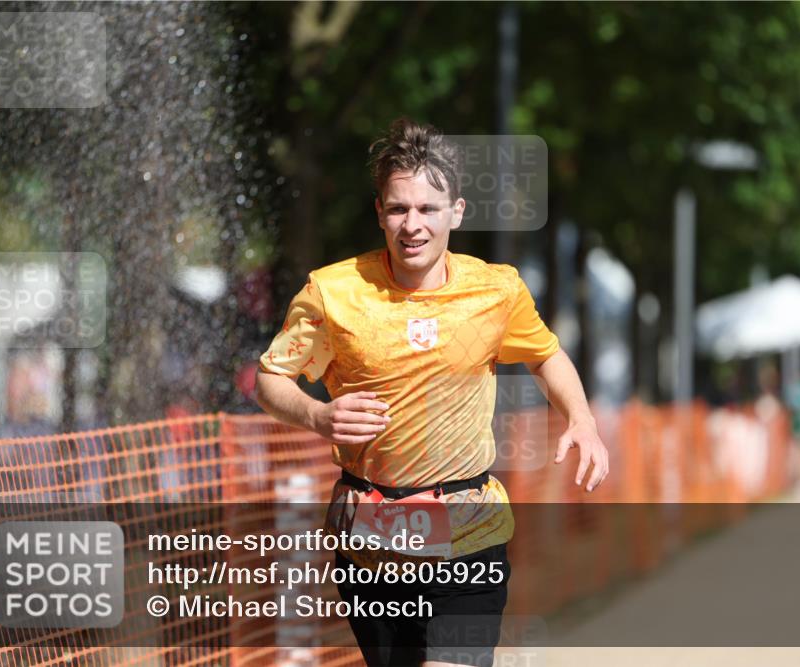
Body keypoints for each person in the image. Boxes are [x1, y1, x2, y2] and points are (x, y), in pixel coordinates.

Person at [255, 118, 608, 667]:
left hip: (469, 531)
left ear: (457, 212)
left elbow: (546, 355)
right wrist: (319, 416)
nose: (412, 225)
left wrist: (581, 420)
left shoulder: (496, 290)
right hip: (371, 541)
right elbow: (271, 378)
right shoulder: (333, 292)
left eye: (428, 210)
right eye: (398, 209)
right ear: (379, 212)